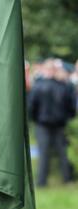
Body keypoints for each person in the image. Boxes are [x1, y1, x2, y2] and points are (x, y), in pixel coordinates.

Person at [28, 59, 76, 187]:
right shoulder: (64, 86)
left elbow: (31, 106)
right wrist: (67, 118)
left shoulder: (38, 86)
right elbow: (71, 107)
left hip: (42, 124)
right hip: (59, 124)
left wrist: (35, 119)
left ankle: (41, 182)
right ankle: (67, 180)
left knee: (44, 154)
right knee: (63, 153)